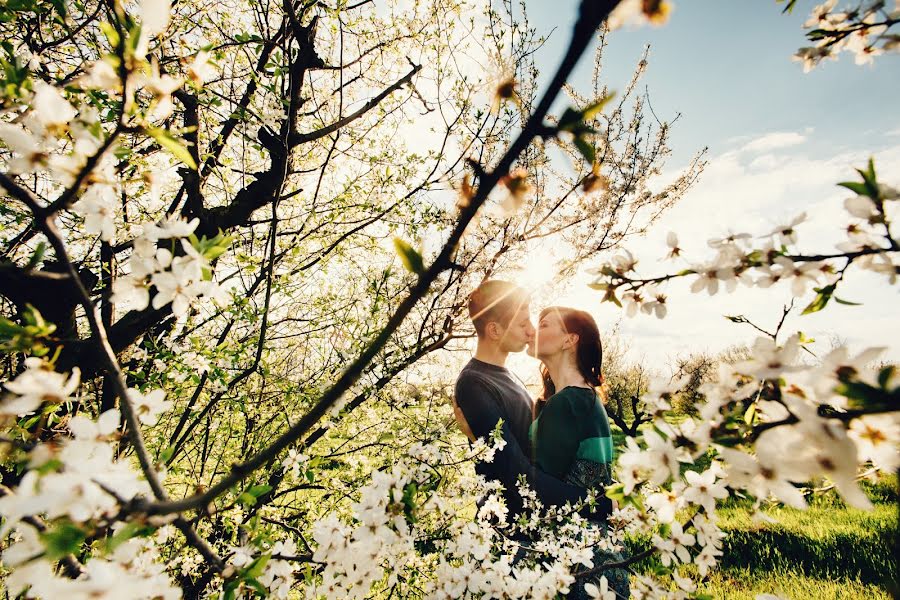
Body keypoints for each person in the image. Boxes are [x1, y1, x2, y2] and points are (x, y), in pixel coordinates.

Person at [452, 280, 613, 520]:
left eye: (536, 323)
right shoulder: (474, 383)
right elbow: (514, 475)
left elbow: (536, 458)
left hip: (539, 520)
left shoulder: (511, 377)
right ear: (495, 331)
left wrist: (479, 442)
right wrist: (603, 505)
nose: (531, 331)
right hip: (507, 528)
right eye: (523, 323)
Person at [527, 306, 630, 599]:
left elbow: (535, 488)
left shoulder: (569, 403)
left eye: (544, 324)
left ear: (569, 340)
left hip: (575, 564)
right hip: (599, 555)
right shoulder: (581, 399)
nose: (535, 331)